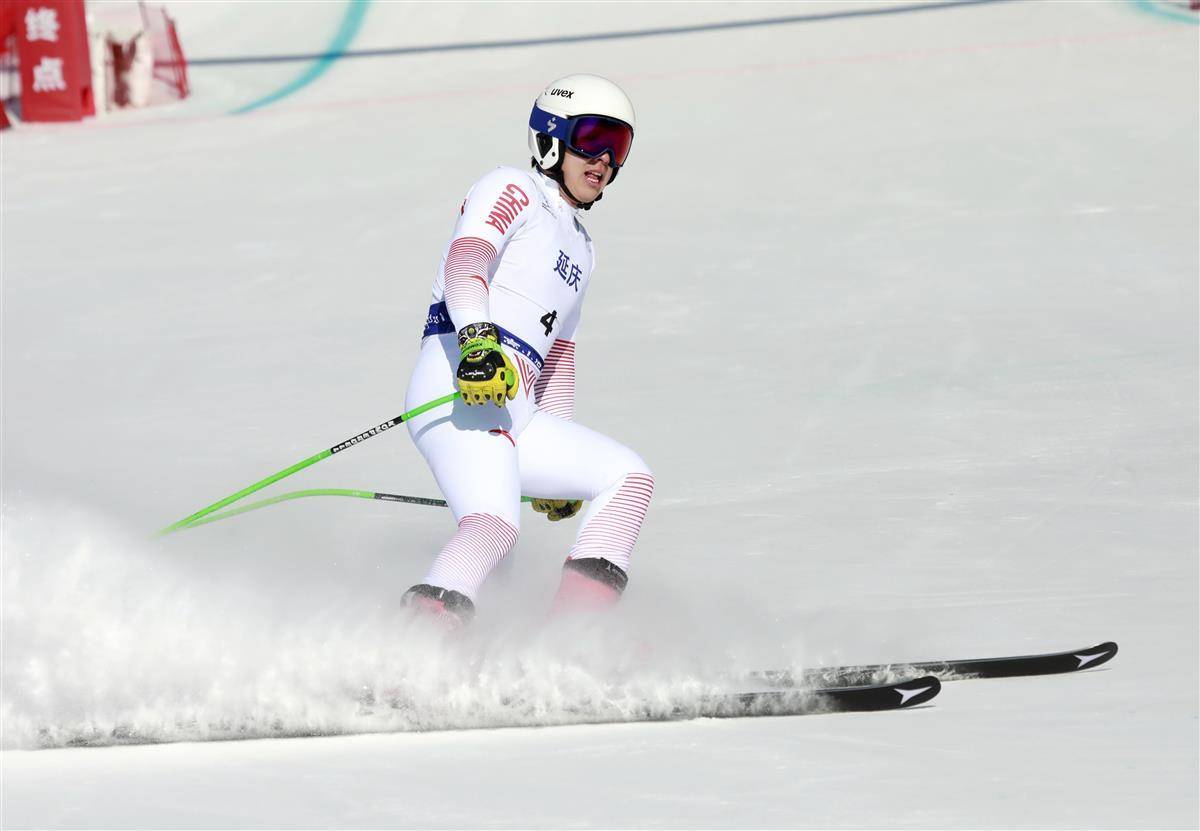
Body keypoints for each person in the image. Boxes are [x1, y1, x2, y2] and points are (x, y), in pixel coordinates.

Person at [401, 74, 654, 627]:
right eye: (594, 137)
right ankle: (411, 656)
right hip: (458, 383)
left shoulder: (582, 246)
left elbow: (559, 353)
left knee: (627, 479)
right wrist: (477, 345)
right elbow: (466, 262)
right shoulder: (512, 186)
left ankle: (571, 647)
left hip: (516, 405)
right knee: (492, 525)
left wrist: (556, 440)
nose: (606, 159)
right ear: (552, 137)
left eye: (620, 146)